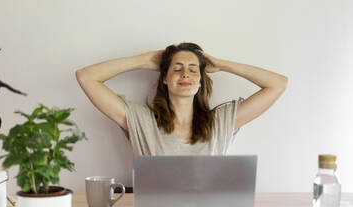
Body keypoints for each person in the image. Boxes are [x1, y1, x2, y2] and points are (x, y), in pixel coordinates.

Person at [75, 42, 288, 155]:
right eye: (177, 69)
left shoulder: (220, 121)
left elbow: (277, 83)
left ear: (201, 81)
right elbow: (86, 77)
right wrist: (143, 60)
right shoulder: (142, 121)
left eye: (193, 70)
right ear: (165, 79)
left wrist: (223, 65)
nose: (185, 74)